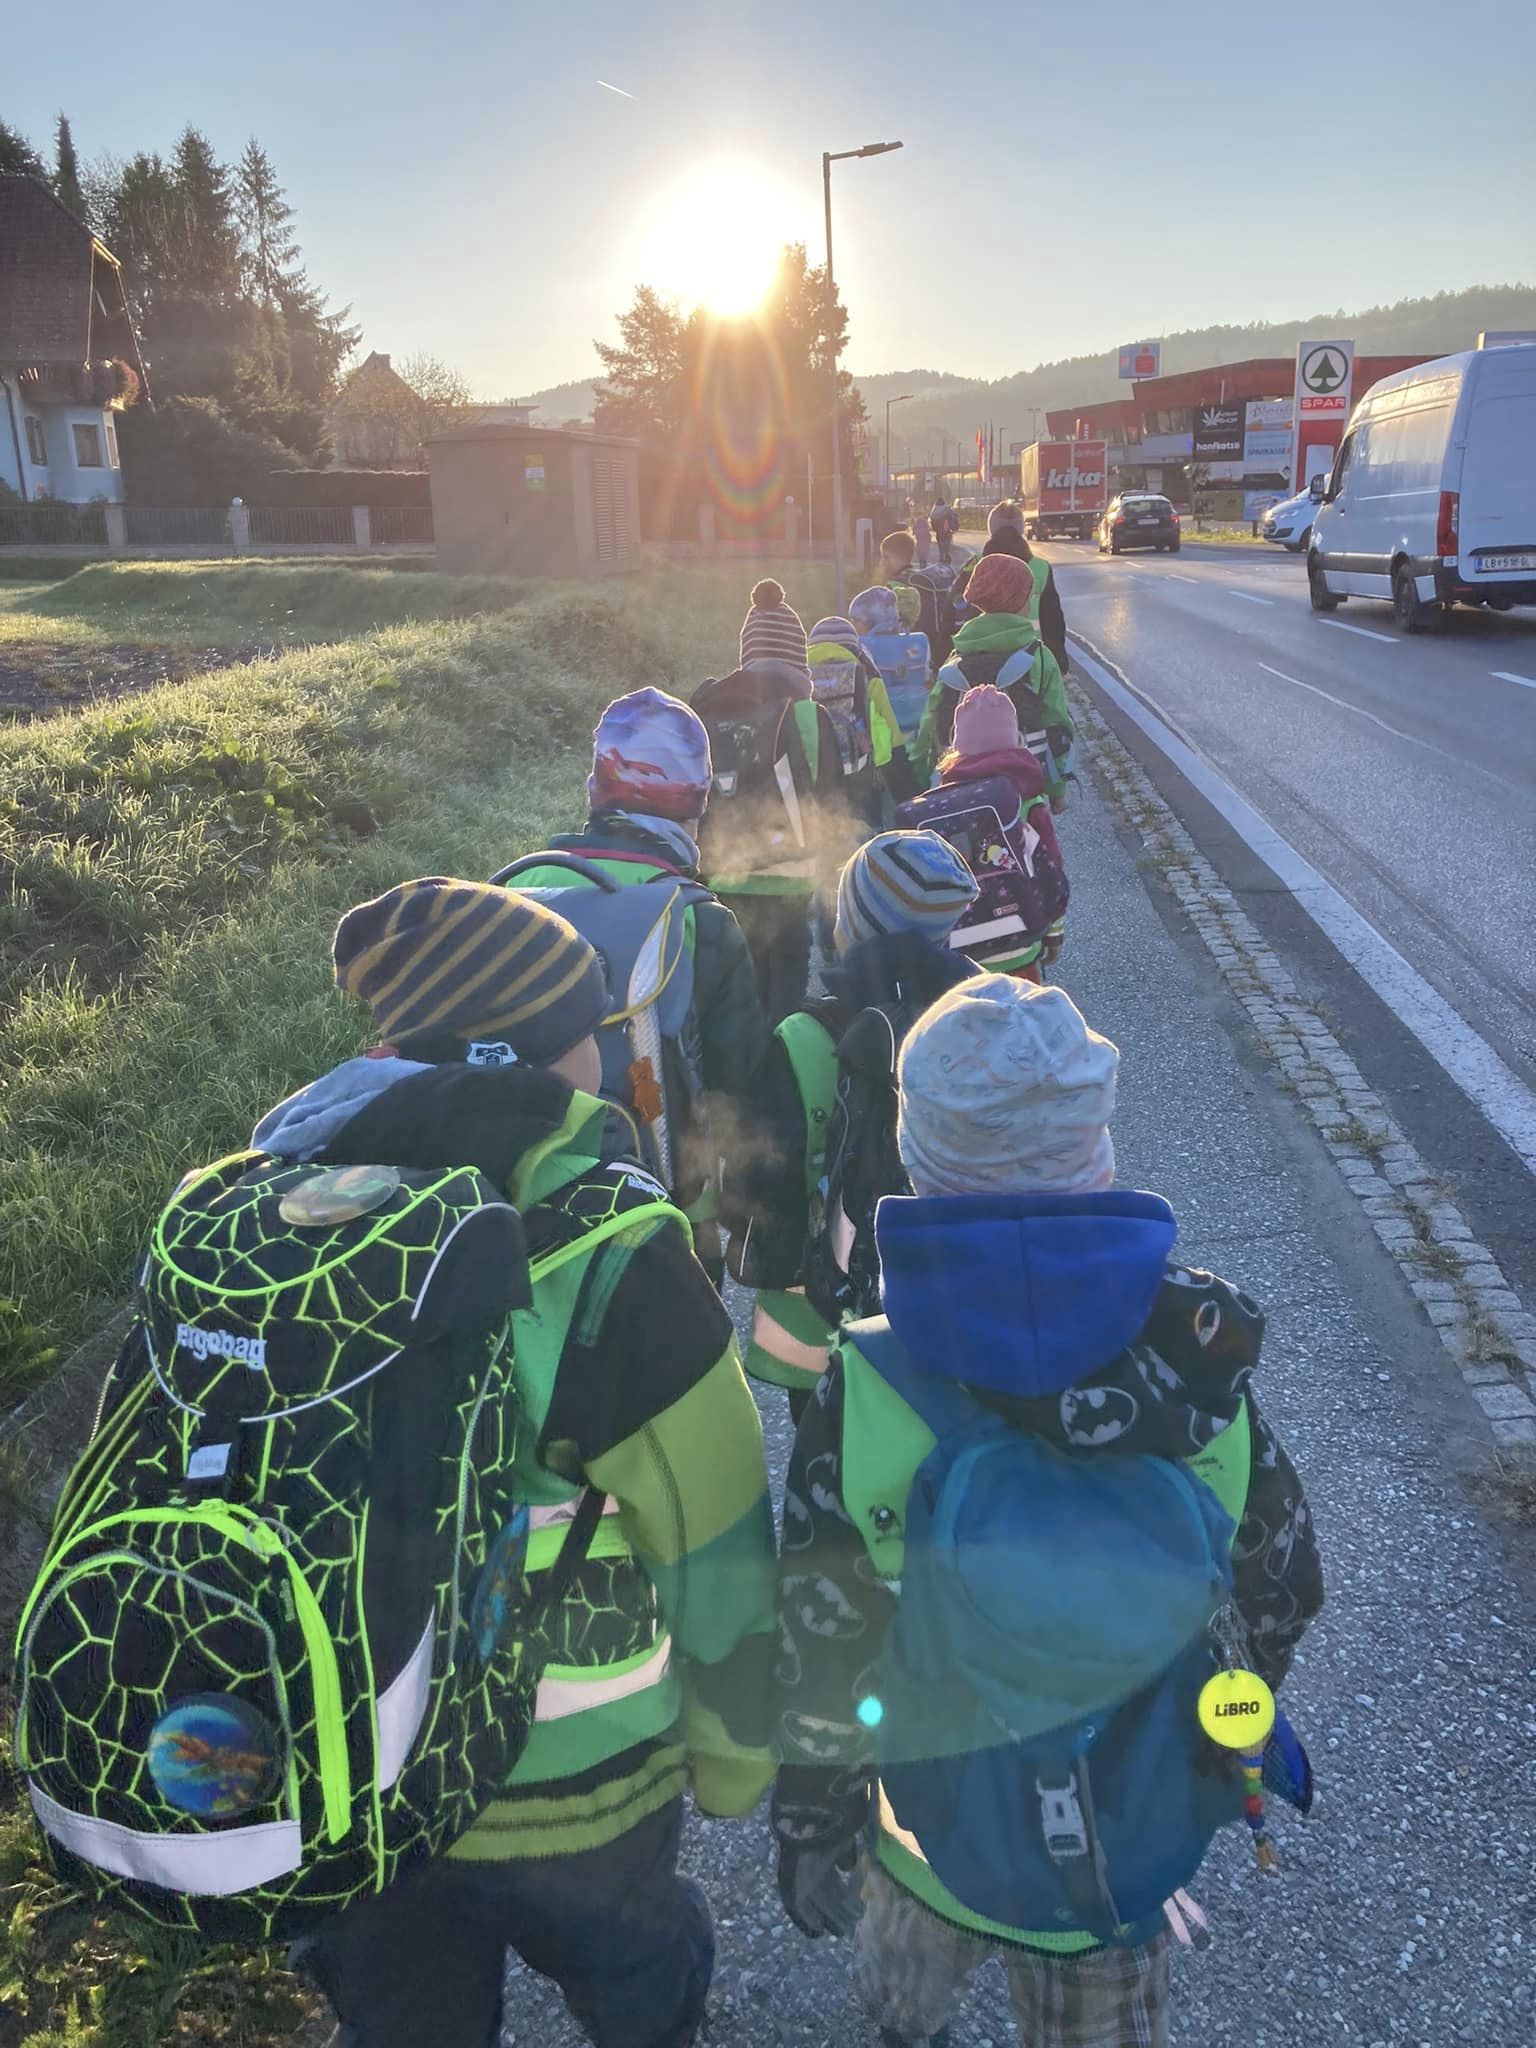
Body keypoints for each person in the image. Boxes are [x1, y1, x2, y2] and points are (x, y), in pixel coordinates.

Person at [773, 976, 1324, 2048]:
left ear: (917, 1164)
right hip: (1122, 1844)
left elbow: (820, 1632)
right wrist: (1194, 1738)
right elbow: (1281, 1590)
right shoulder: (1201, 1369)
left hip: (925, 1829)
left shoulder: (871, 1380)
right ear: (1100, 1156)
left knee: (901, 2011)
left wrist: (810, 1819)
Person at [282, 878, 779, 2048]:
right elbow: (713, 1530)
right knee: (641, 1980)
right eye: (592, 1028)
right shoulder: (613, 1247)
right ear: (544, 1054)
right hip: (574, 1786)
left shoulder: (282, 1201)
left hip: (349, 1775)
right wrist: (735, 1752)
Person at [511, 688, 769, 1279]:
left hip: (522, 1198)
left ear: (595, 789)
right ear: (697, 803)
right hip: (668, 1208)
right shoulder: (699, 917)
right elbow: (739, 1085)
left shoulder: (516, 896)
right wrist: (750, 1213)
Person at [723, 830, 979, 1416]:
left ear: (852, 926)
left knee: (832, 1450)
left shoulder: (804, 1037)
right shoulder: (983, 1019)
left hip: (816, 1329)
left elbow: (759, 1188)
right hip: (950, 1306)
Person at [692, 659, 842, 1026]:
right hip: (790, 873)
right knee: (788, 972)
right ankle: (784, 1045)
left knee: (744, 974)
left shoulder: (705, 713)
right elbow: (829, 795)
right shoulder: (805, 714)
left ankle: (749, 1047)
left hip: (724, 870)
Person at [914, 551, 1074, 801]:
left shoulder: (957, 656)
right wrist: (1056, 791)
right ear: (1020, 600)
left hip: (963, 789)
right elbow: (1058, 726)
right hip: (1025, 790)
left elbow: (929, 721)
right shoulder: (1039, 657)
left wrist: (921, 782)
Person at [932, 683, 1066, 981]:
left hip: (961, 953)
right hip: (1022, 941)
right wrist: (1054, 933)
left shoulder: (941, 804)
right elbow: (1052, 869)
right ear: (1014, 740)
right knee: (1025, 1009)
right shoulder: (1027, 800)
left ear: (958, 746)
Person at [952, 501, 1069, 676]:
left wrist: (945, 659)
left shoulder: (974, 566)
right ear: (1020, 529)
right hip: (1033, 664)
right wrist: (1057, 663)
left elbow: (953, 613)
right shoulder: (1041, 568)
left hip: (976, 664)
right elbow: (1053, 622)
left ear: (991, 528)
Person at [880, 530, 955, 667]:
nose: (883, 562)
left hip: (909, 647)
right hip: (933, 642)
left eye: (886, 557)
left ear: (901, 557)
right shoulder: (920, 578)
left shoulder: (895, 586)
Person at [740, 576, 810, 672]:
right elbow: (800, 644)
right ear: (781, 596)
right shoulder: (790, 616)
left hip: (757, 674)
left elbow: (747, 651)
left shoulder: (753, 618)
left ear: (754, 598)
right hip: (792, 675)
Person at [930, 498, 958, 566]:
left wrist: (936, 529)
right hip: (947, 532)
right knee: (947, 547)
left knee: (941, 548)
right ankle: (947, 559)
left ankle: (941, 560)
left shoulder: (934, 511)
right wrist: (954, 528)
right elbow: (953, 519)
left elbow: (932, 523)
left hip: (939, 533)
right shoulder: (948, 510)